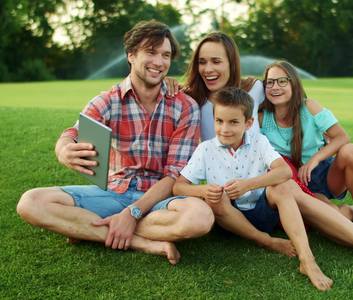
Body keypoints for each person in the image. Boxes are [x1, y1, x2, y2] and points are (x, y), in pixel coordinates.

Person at [16, 20, 214, 265]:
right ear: (131, 55)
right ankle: (139, 241)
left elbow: (174, 175)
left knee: (200, 218)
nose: (159, 62)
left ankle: (91, 228)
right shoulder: (107, 101)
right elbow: (73, 133)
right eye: (150, 52)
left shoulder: (185, 106)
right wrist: (63, 150)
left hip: (160, 198)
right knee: (31, 202)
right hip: (114, 191)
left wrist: (133, 212)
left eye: (165, 55)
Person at [173, 87, 333, 291]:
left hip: (262, 213)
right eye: (219, 121)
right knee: (215, 198)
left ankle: (307, 260)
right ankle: (265, 241)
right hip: (228, 222)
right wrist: (202, 191)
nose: (225, 129)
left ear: (249, 123)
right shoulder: (205, 149)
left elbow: (285, 172)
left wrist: (247, 185)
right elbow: (179, 186)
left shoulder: (259, 142)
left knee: (281, 188)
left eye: (233, 122)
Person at [259, 59, 353, 234]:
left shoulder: (309, 107)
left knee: (351, 151)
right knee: (332, 218)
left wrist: (315, 159)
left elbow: (342, 137)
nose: (275, 87)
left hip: (324, 174)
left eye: (282, 81)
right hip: (297, 184)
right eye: (269, 82)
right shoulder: (262, 119)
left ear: (294, 84)